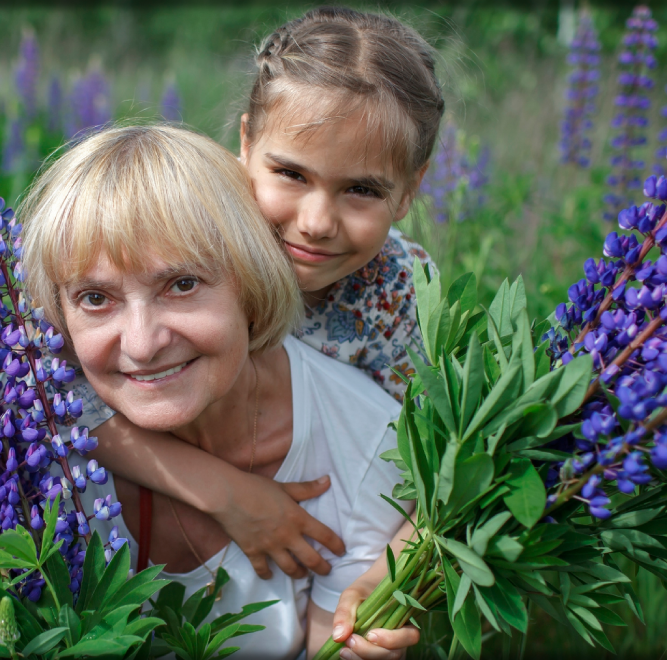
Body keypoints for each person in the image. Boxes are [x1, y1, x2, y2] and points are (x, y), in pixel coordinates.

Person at [80, 7, 444, 658]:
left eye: (361, 189)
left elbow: (423, 468)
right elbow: (43, 398)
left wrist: (387, 571)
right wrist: (228, 493)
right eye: (292, 174)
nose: (315, 221)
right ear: (245, 144)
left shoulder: (401, 290)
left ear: (411, 190)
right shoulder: (185, 232)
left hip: (309, 555)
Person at [20, 123, 409, 658]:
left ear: (252, 283)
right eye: (94, 298)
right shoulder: (14, 435)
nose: (142, 343)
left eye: (182, 285)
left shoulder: (367, 447)